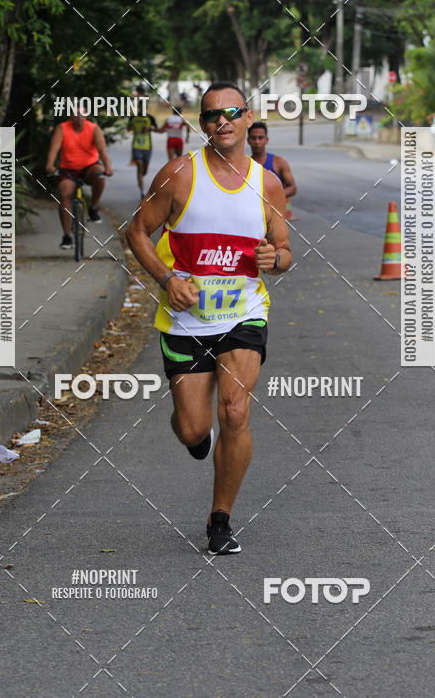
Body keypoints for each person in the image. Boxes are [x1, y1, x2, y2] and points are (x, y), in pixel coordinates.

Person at [126, 81, 292, 555]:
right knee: (194, 428)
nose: (223, 121)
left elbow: (284, 252)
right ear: (202, 124)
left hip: (244, 314)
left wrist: (274, 260)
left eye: (232, 112)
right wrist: (166, 280)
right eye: (212, 115)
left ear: (247, 118)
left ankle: (221, 519)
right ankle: (196, 437)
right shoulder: (179, 174)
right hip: (186, 320)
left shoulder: (267, 184)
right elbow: (136, 231)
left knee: (235, 413)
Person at [46, 110, 113, 250]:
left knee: (100, 175)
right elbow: (54, 148)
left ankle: (93, 208)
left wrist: (108, 167)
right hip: (68, 169)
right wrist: (50, 164)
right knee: (64, 193)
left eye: (82, 114)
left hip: (90, 166)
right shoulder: (62, 128)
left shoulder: (94, 128)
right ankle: (66, 237)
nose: (79, 116)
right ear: (70, 116)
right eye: (75, 114)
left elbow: (102, 150)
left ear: (86, 115)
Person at [247, 122, 297, 220]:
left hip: (276, 217)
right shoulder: (245, 164)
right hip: (253, 217)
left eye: (260, 138)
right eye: (253, 138)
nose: (257, 142)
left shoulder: (279, 162)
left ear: (267, 140)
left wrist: (273, 196)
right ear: (248, 140)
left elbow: (292, 187)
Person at [128, 106, 158, 198]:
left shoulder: (150, 118)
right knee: (139, 167)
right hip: (136, 146)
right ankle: (142, 191)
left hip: (147, 147)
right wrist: (131, 128)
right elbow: (128, 129)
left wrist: (149, 129)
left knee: (144, 171)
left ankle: (141, 178)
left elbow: (157, 129)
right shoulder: (133, 118)